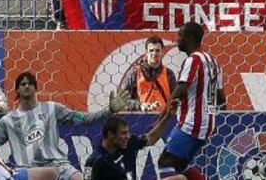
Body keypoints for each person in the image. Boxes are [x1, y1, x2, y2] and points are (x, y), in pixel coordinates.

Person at [0, 71, 130, 180]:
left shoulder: (52, 109)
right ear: (17, 90)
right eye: (23, 84)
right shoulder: (8, 121)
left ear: (36, 88)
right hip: (30, 170)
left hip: (60, 166)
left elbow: (85, 119)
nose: (27, 86)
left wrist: (109, 110)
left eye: (30, 83)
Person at [157, 22, 226, 180]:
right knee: (180, 165)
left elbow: (179, 91)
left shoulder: (193, 61)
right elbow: (221, 98)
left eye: (180, 35)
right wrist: (209, 118)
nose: (177, 39)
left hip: (190, 125)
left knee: (165, 163)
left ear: (189, 38)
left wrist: (161, 117)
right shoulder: (213, 62)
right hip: (205, 125)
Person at [84, 114, 170, 180]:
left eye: (128, 132)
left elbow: (151, 138)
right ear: (110, 135)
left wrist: (168, 116)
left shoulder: (128, 143)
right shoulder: (95, 161)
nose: (128, 136)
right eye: (123, 133)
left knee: (180, 178)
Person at [122, 36, 176, 113]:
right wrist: (139, 106)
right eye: (151, 50)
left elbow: (175, 100)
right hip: (139, 118)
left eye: (157, 50)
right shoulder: (134, 72)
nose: (154, 53)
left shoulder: (169, 74)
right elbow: (122, 100)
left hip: (163, 120)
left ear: (163, 51)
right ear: (146, 53)